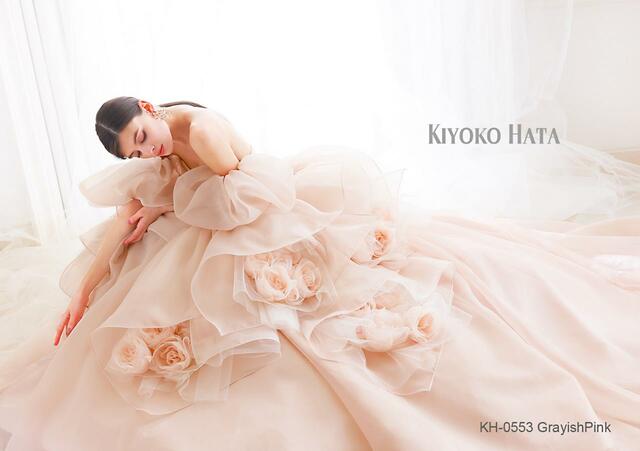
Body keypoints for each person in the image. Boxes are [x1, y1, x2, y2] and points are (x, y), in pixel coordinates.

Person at [0, 96, 639, 450]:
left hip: (254, 211)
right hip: (214, 210)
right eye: (136, 150)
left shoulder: (203, 130)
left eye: (143, 135)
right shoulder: (164, 142)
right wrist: (88, 287)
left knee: (290, 309)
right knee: (135, 265)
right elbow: (156, 201)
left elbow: (235, 203)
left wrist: (163, 206)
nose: (149, 150)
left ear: (148, 107)